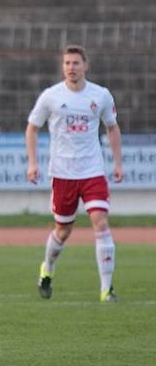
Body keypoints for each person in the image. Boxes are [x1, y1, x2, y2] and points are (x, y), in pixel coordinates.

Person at [26, 45, 123, 302]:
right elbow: (32, 128)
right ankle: (47, 268)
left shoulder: (100, 95)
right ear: (63, 67)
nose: (71, 67)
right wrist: (32, 164)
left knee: (100, 222)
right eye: (67, 63)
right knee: (62, 231)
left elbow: (112, 127)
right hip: (62, 174)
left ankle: (106, 289)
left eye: (76, 63)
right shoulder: (51, 96)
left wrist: (118, 163)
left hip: (92, 172)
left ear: (85, 65)